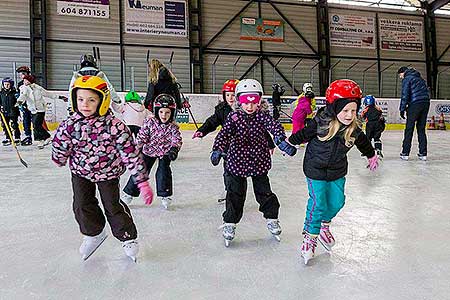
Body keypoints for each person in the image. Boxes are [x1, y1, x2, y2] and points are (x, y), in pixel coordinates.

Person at [51, 75, 153, 262]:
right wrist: (59, 157)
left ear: (102, 101)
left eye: (91, 99)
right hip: (80, 172)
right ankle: (93, 233)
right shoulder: (70, 124)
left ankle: (127, 237)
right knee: (81, 204)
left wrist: (142, 182)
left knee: (112, 206)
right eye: (80, 99)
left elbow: (130, 153)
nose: (85, 104)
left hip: (108, 173)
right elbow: (60, 142)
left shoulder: (115, 126)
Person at [287, 79, 378, 265]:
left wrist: (370, 155)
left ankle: (323, 226)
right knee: (318, 203)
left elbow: (363, 143)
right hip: (315, 168)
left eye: (353, 110)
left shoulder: (353, 128)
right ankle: (310, 236)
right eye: (345, 110)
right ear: (334, 107)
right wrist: (288, 143)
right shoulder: (321, 122)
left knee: (337, 202)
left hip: (337, 170)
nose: (349, 115)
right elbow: (302, 134)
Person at [211, 79, 297, 247]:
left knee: (264, 193)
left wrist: (281, 140)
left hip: (259, 162)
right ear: (239, 100)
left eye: (254, 102)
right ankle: (230, 223)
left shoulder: (262, 116)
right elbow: (224, 134)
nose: (249, 106)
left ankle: (272, 218)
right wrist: (217, 149)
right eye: (245, 102)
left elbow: (274, 127)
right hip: (237, 162)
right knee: (235, 195)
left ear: (259, 101)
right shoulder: (234, 117)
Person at [122, 94, 182, 210]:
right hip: (148, 151)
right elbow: (143, 135)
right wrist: (137, 146)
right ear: (156, 112)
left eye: (167, 113)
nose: (164, 116)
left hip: (164, 153)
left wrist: (174, 149)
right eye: (161, 112)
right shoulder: (150, 122)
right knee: (141, 171)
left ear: (172, 113)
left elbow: (176, 139)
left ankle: (165, 195)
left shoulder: (173, 127)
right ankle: (129, 193)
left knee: (163, 172)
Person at [17, 74, 67, 149]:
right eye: (24, 80)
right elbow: (23, 95)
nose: (24, 81)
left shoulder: (38, 88)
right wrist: (20, 101)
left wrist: (59, 97)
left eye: (26, 80)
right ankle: (43, 139)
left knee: (36, 124)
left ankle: (45, 137)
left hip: (41, 109)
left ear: (30, 81)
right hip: (32, 109)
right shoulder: (24, 88)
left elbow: (48, 94)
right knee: (36, 125)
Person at [397, 66, 430, 161]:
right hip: (425, 103)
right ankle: (423, 154)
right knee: (421, 129)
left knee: (409, 129)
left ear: (403, 72)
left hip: (415, 104)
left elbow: (405, 94)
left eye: (400, 75)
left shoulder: (407, 79)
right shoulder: (420, 78)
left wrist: (402, 109)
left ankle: (405, 153)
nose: (400, 77)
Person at [15, 66, 33, 145]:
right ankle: (28, 136)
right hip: (25, 106)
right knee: (26, 121)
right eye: (20, 74)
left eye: (23, 73)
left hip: (33, 105)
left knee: (36, 123)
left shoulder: (32, 81)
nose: (21, 75)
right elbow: (20, 95)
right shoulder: (19, 84)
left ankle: (41, 138)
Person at [0, 78, 21, 145]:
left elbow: (18, 101)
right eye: (5, 84)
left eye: (8, 84)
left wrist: (17, 109)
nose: (6, 86)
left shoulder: (14, 93)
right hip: (4, 112)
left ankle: (17, 137)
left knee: (14, 125)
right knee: (5, 125)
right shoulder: (1, 93)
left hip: (13, 112)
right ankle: (8, 137)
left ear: (11, 85)